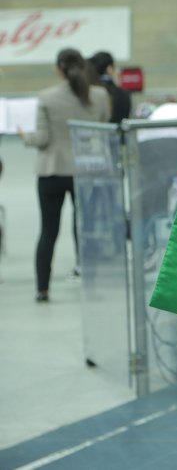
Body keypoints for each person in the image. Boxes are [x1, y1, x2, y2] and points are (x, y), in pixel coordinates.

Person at [18, 48, 111, 302]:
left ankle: (42, 289)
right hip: (86, 170)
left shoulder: (46, 97)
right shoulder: (100, 96)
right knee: (86, 229)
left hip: (52, 171)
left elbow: (43, 138)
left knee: (48, 232)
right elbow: (102, 128)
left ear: (58, 70)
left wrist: (26, 138)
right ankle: (90, 283)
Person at [88, 51, 132, 124]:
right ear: (109, 69)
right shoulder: (123, 94)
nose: (118, 71)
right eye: (115, 67)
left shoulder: (88, 92)